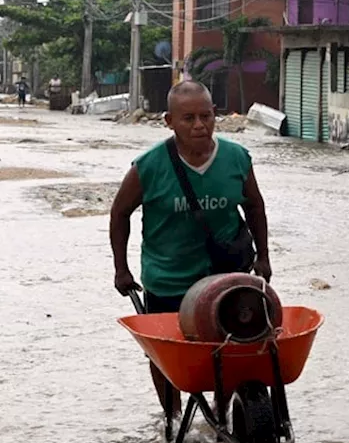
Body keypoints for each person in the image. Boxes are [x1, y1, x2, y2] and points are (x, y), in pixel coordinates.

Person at [108, 80, 272, 423]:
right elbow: (120, 213)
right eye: (188, 119)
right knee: (166, 355)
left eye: (206, 116)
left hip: (225, 276)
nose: (199, 125)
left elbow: (254, 207)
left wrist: (263, 256)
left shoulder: (236, 158)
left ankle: (223, 409)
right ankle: (172, 414)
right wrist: (121, 269)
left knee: (238, 347)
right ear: (169, 121)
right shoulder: (149, 166)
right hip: (169, 279)